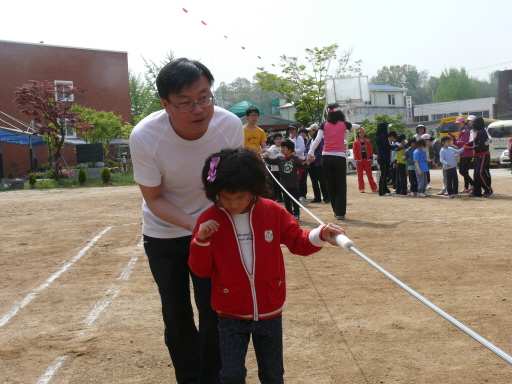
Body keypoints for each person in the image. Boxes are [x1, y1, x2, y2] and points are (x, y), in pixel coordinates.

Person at [129, 57, 244, 384]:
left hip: (214, 229)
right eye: (186, 103)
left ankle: (214, 377)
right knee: (177, 314)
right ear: (165, 104)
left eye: (205, 97)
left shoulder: (229, 126)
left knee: (214, 310)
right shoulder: (145, 137)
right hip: (164, 234)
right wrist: (197, 227)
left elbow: (228, 182)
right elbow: (154, 199)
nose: (199, 109)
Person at [188, 147, 345, 384]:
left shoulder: (272, 211)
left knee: (272, 374)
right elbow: (200, 270)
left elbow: (298, 241)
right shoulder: (208, 221)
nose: (233, 203)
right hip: (230, 312)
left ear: (254, 189)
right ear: (213, 192)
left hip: (270, 309)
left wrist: (321, 234)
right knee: (231, 374)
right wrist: (201, 241)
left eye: (240, 196)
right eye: (225, 197)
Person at [307, 103, 359, 220]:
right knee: (340, 185)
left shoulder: (324, 124)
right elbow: (354, 125)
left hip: (326, 157)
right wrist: (360, 127)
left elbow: (317, 139)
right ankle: (340, 213)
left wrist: (310, 152)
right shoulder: (344, 124)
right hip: (339, 157)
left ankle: (335, 210)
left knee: (330, 184)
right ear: (339, 113)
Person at [263, 140, 305, 220]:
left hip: (293, 183)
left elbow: (302, 167)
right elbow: (271, 161)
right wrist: (266, 157)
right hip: (284, 184)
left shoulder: (295, 158)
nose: (281, 149)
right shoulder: (280, 158)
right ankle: (289, 214)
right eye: (281, 148)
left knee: (295, 200)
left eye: (284, 148)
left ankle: (296, 213)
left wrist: (308, 162)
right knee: (286, 200)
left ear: (290, 149)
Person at [466, 117, 493, 197]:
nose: (472, 125)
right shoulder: (478, 131)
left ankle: (488, 190)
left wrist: (470, 148)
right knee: (476, 174)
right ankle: (477, 192)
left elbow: (480, 145)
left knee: (479, 174)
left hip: (483, 155)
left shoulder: (482, 131)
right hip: (478, 155)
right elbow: (475, 142)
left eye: (474, 123)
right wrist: (468, 144)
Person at [448, 117, 474, 193]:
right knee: (464, 171)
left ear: (463, 123)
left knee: (463, 171)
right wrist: (453, 138)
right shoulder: (461, 131)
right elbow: (458, 143)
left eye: (459, 123)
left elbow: (462, 143)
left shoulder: (466, 131)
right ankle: (467, 187)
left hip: (467, 153)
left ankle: (472, 184)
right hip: (463, 153)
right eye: (457, 123)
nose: (458, 125)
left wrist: (455, 140)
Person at [305, 124, 330, 203]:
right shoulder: (309, 141)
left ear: (315, 131)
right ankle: (317, 197)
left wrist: (314, 156)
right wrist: (308, 157)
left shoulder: (321, 140)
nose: (309, 132)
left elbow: (321, 150)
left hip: (319, 163)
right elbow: (306, 151)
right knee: (314, 181)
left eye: (310, 130)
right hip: (311, 164)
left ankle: (326, 197)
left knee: (322, 181)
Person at [352, 126, 377, 193]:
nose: (361, 133)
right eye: (360, 132)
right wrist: (356, 159)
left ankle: (374, 187)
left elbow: (370, 149)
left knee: (369, 174)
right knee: (360, 175)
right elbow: (354, 151)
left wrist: (371, 158)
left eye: (362, 132)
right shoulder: (356, 142)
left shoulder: (367, 141)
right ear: (358, 133)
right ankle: (361, 188)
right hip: (359, 160)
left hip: (367, 159)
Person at [375, 122, 397, 196]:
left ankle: (385, 190)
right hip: (383, 158)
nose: (388, 129)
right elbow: (388, 147)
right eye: (387, 127)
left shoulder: (381, 136)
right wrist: (397, 146)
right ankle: (381, 191)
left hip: (384, 158)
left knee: (385, 174)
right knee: (383, 175)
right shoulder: (382, 137)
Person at [267, 132, 284, 202]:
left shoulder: (283, 148)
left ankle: (284, 197)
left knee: (283, 184)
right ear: (274, 140)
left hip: (283, 169)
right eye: (277, 139)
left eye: (280, 139)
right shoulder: (271, 149)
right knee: (276, 184)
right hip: (275, 169)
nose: (279, 140)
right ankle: (278, 197)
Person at [414, 124, 432, 189]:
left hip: (425, 154)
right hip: (418, 155)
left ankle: (428, 182)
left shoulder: (427, 136)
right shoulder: (415, 136)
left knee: (426, 169)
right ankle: (420, 185)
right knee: (419, 168)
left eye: (422, 128)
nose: (420, 129)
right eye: (419, 128)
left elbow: (430, 144)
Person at [298, 127, 309, 201]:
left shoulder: (308, 141)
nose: (303, 134)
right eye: (301, 132)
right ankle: (298, 194)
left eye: (304, 133)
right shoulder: (296, 140)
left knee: (303, 178)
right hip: (297, 160)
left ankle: (303, 194)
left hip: (305, 161)